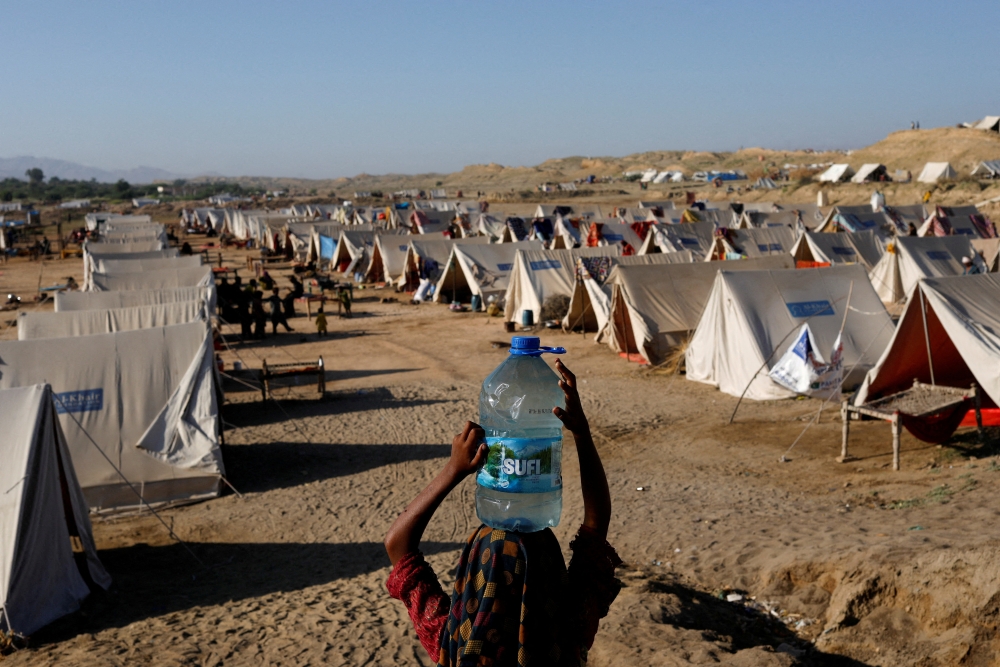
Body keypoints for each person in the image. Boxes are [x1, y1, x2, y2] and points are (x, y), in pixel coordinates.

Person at [384, 360, 621, 666]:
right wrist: (582, 434)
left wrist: (453, 470)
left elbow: (397, 544)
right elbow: (595, 527)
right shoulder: (565, 635)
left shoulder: (454, 640)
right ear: (549, 577)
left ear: (471, 580)